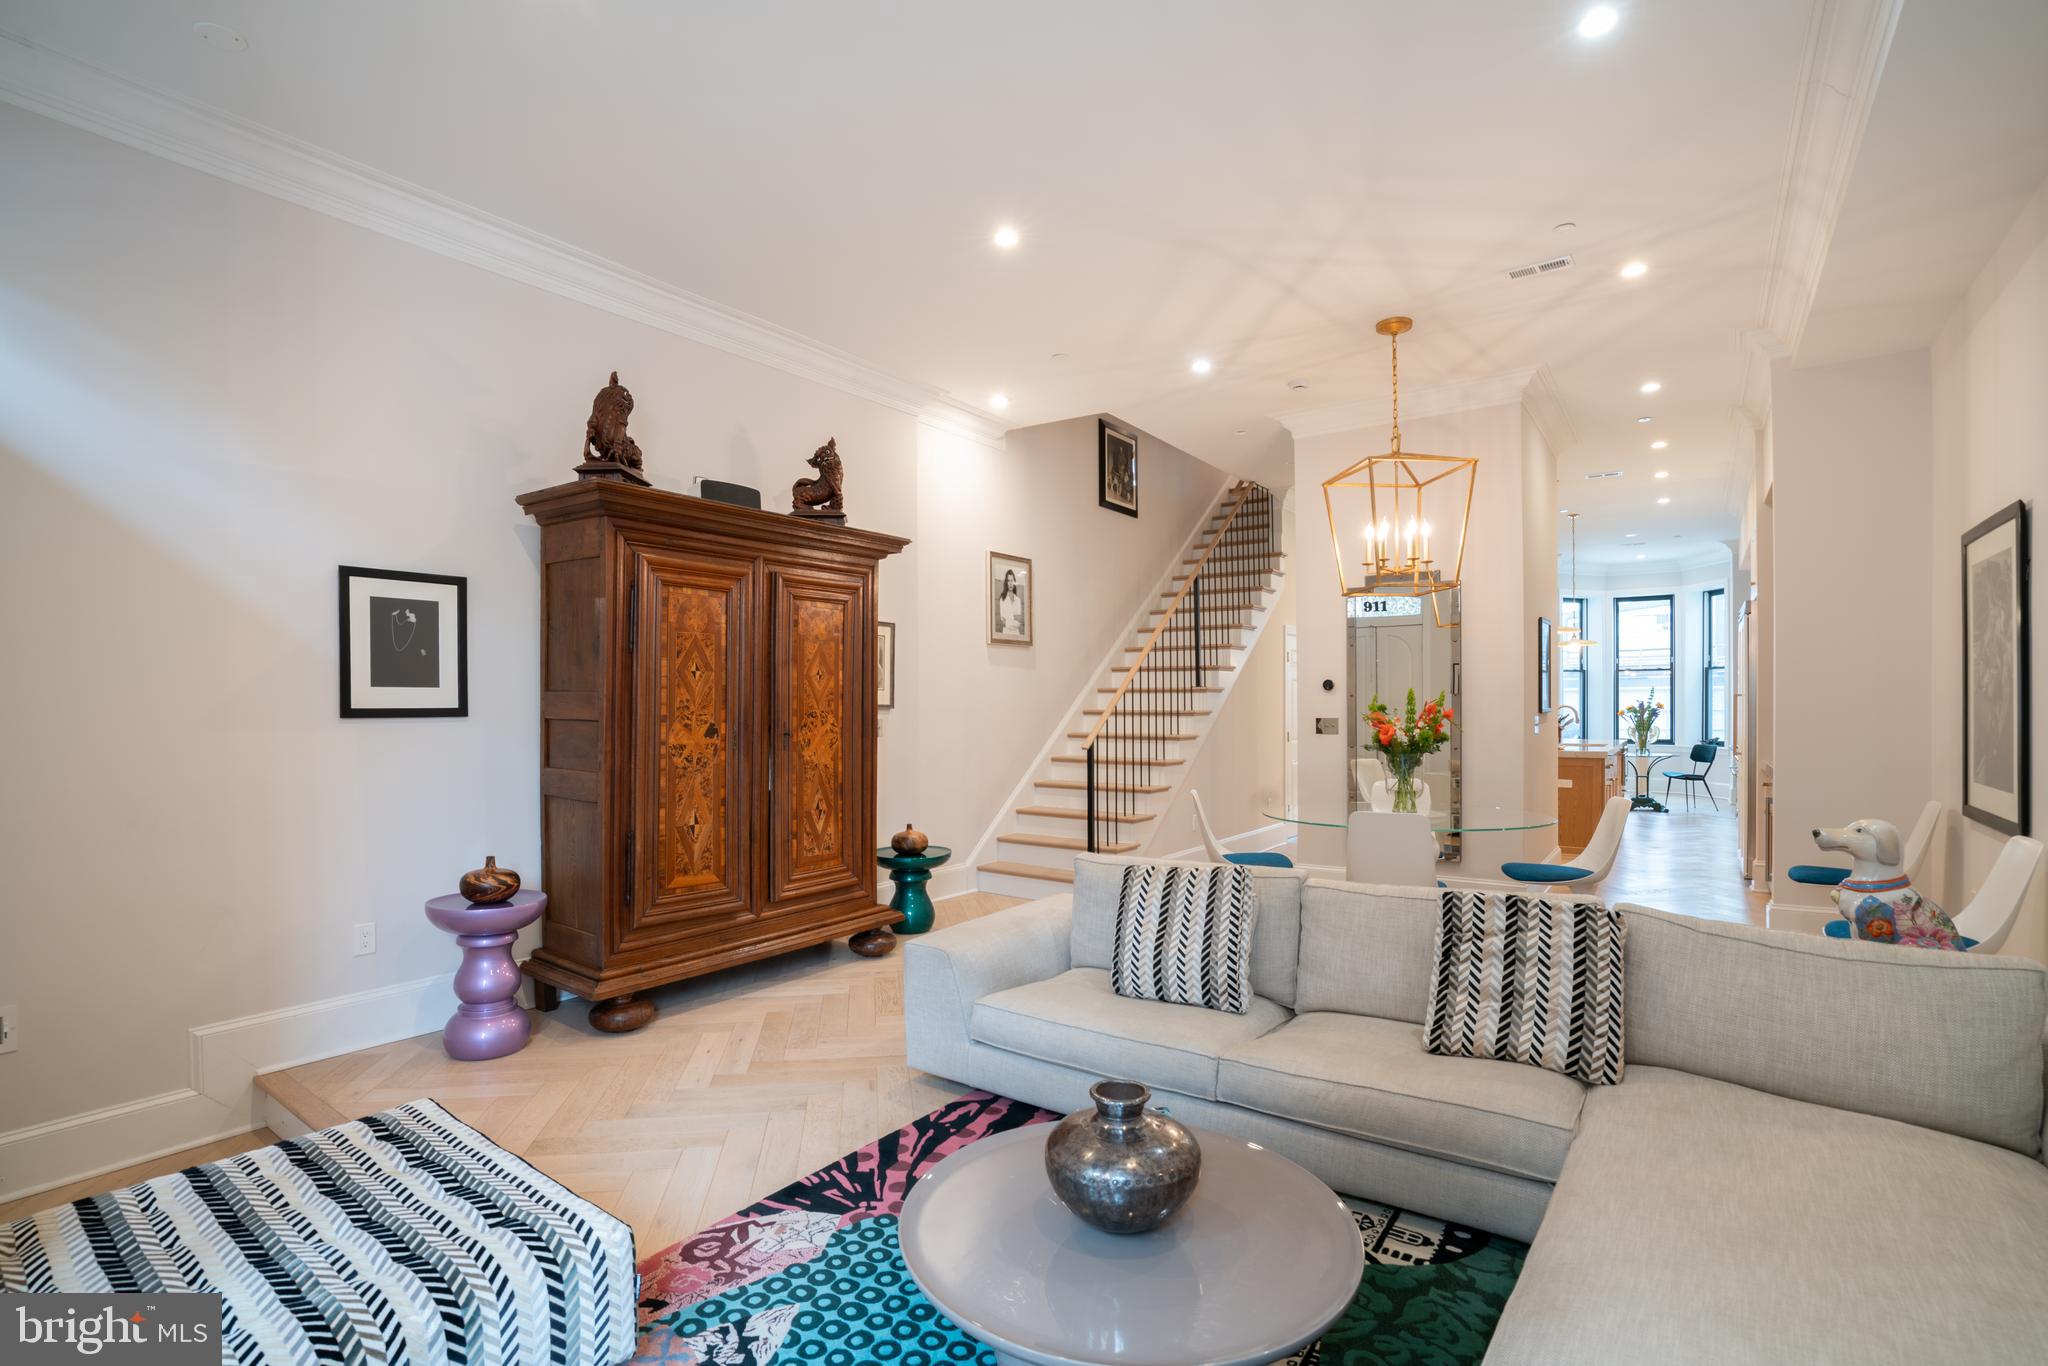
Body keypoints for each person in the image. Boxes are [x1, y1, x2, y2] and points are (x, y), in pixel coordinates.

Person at [996, 569, 1026, 637]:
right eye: (1008, 581)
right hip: (1005, 634)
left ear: (1014, 582)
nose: (1010, 583)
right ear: (1006, 583)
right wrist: (1014, 617)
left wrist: (1007, 621)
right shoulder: (1002, 599)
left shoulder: (1018, 600)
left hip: (1017, 635)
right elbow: (1002, 622)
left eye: (1012, 580)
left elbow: (1018, 623)